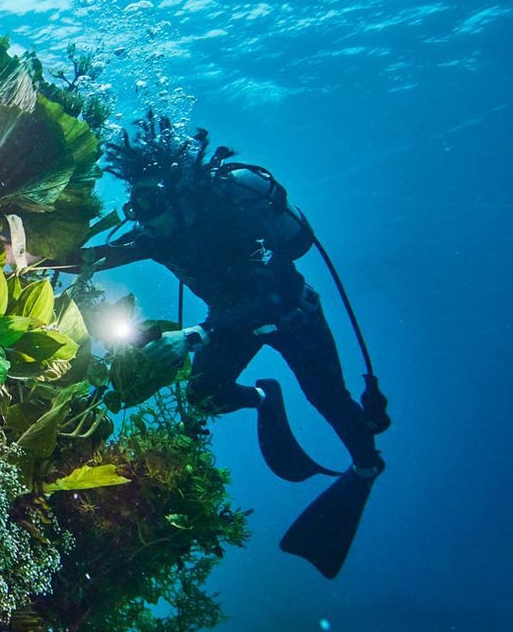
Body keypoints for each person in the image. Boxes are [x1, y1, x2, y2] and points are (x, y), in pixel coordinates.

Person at [88, 112, 390, 577]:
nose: (140, 214)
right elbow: (102, 254)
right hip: (231, 328)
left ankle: (366, 468)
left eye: (150, 200)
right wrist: (28, 253)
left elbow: (264, 297)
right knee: (203, 395)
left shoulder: (238, 221)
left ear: (181, 194)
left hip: (294, 318)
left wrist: (195, 334)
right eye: (135, 201)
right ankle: (262, 397)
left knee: (328, 398)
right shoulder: (160, 232)